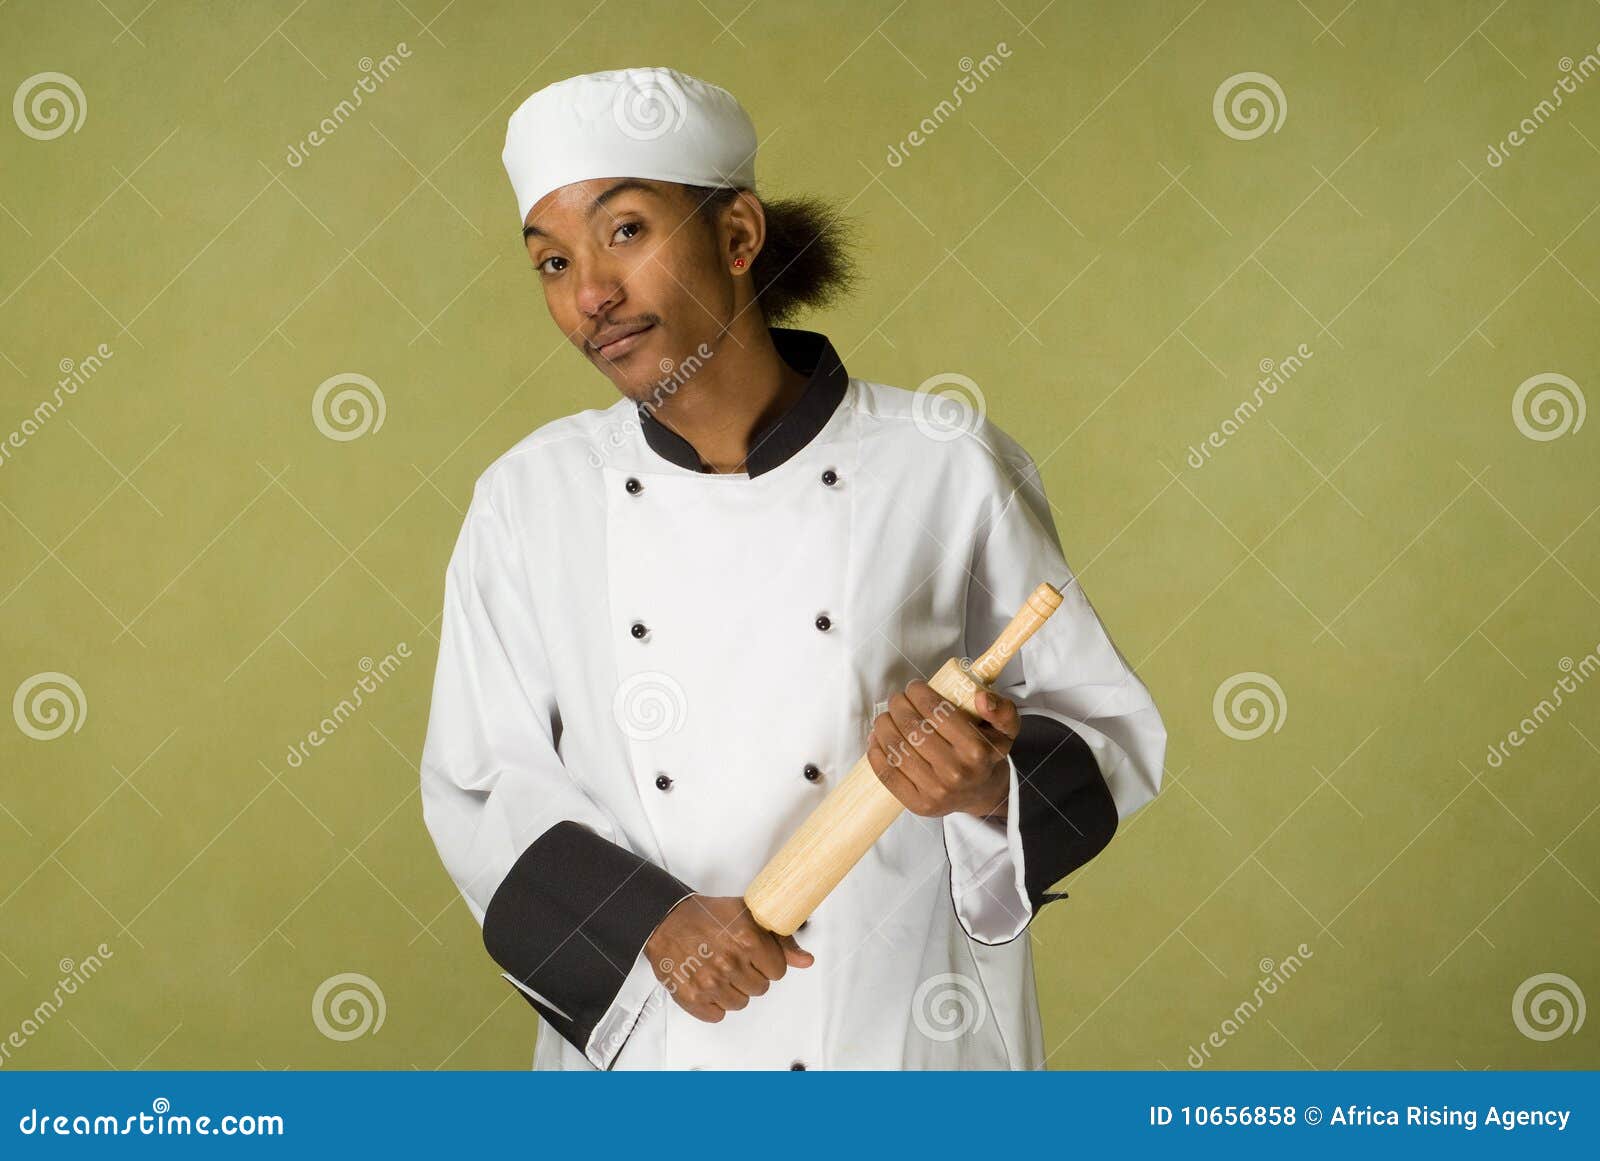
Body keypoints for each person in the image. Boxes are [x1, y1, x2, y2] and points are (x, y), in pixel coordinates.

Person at [419, 65, 1167, 1070]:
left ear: (737, 236)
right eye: (550, 263)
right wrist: (650, 922)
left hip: (901, 1031)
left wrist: (987, 785)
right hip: (659, 1045)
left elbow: (1100, 722)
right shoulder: (529, 498)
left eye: (625, 231)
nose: (591, 293)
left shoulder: (941, 460)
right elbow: (480, 777)